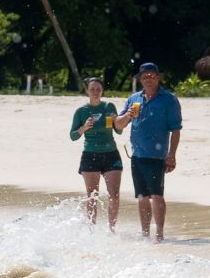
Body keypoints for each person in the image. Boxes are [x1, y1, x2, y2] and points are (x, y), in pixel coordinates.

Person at [116, 61, 183, 243]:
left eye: (152, 76)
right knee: (142, 197)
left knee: (156, 195)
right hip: (137, 155)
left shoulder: (169, 100)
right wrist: (128, 115)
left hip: (157, 155)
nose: (148, 79)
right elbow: (118, 124)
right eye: (145, 76)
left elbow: (176, 129)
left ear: (158, 77)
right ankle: (145, 233)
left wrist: (172, 155)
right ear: (140, 79)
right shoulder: (133, 99)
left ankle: (159, 234)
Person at [70, 76, 124, 229]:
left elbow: (119, 131)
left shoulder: (109, 106)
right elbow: (73, 136)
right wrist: (84, 128)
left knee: (114, 195)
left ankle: (111, 229)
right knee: (92, 196)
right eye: (92, 89)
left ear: (102, 91)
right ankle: (91, 229)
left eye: (98, 89)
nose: (95, 92)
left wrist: (116, 121)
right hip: (90, 154)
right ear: (86, 91)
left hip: (111, 153)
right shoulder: (81, 111)